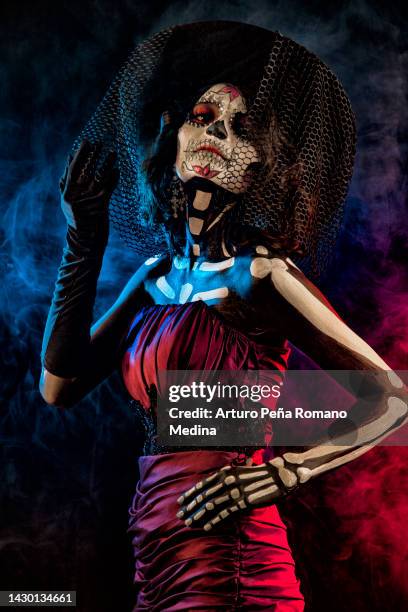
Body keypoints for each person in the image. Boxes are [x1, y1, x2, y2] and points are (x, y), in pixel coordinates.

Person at [39, 21, 407, 611]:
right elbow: (59, 386)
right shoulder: (156, 277)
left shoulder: (259, 274)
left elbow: (393, 398)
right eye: (204, 117)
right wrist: (84, 241)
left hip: (231, 556)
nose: (216, 133)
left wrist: (285, 473)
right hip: (155, 546)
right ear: (174, 134)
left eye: (240, 130)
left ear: (260, 165)